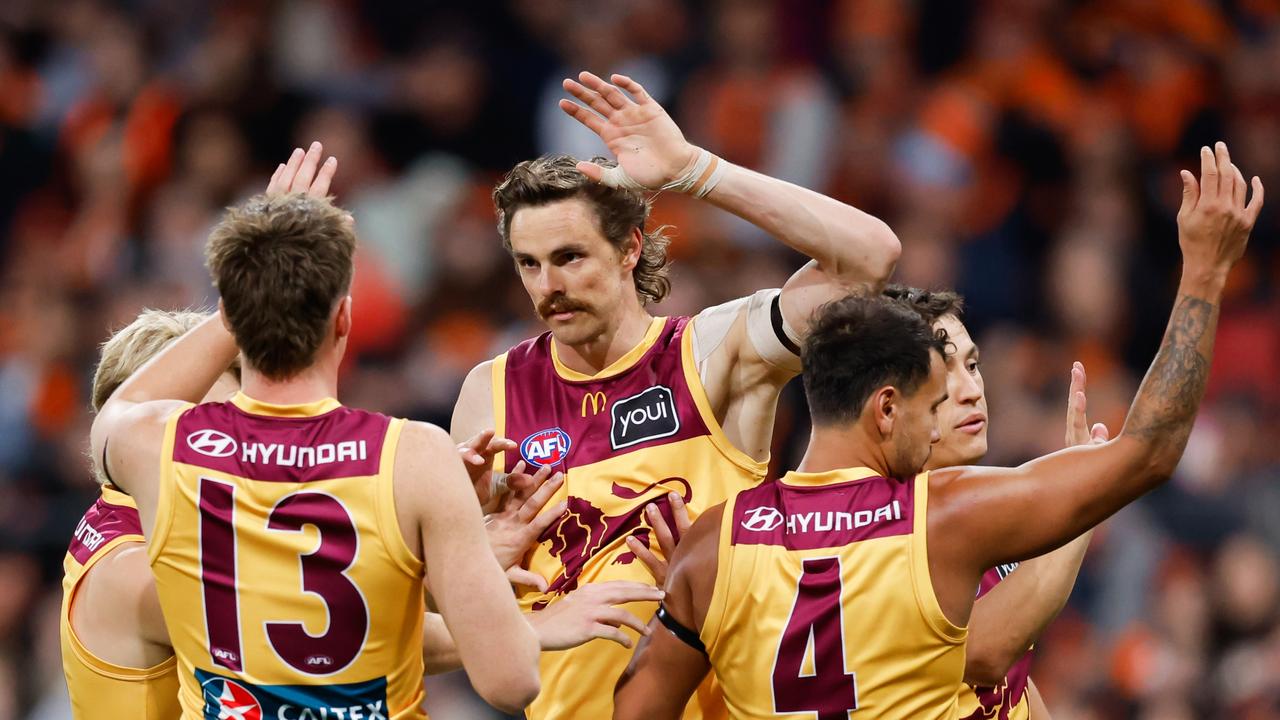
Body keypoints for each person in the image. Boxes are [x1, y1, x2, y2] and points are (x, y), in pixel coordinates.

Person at [612, 143, 1262, 718]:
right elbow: (1149, 452)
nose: (960, 400)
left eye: (972, 368)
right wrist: (1203, 272)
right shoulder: (937, 519)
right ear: (887, 409)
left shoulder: (713, 543)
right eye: (934, 397)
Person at [451, 70, 901, 720]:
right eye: (528, 263)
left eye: (571, 256)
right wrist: (470, 553)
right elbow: (448, 607)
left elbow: (869, 257)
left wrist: (692, 169)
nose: (547, 284)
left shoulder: (709, 355)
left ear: (630, 248)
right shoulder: (490, 391)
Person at [90, 144, 543, 719]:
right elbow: (511, 680)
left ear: (235, 314)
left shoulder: (153, 443)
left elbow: (123, 402)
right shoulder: (414, 455)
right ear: (345, 320)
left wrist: (251, 281)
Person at [886, 286, 1105, 719]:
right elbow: (986, 653)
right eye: (943, 373)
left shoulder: (976, 514)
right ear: (890, 401)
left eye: (972, 365)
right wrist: (1084, 497)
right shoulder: (891, 524)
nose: (970, 390)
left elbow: (1008, 694)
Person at [61, 310, 237, 720]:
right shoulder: (134, 571)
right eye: (203, 433)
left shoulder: (131, 512)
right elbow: (328, 631)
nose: (231, 450)